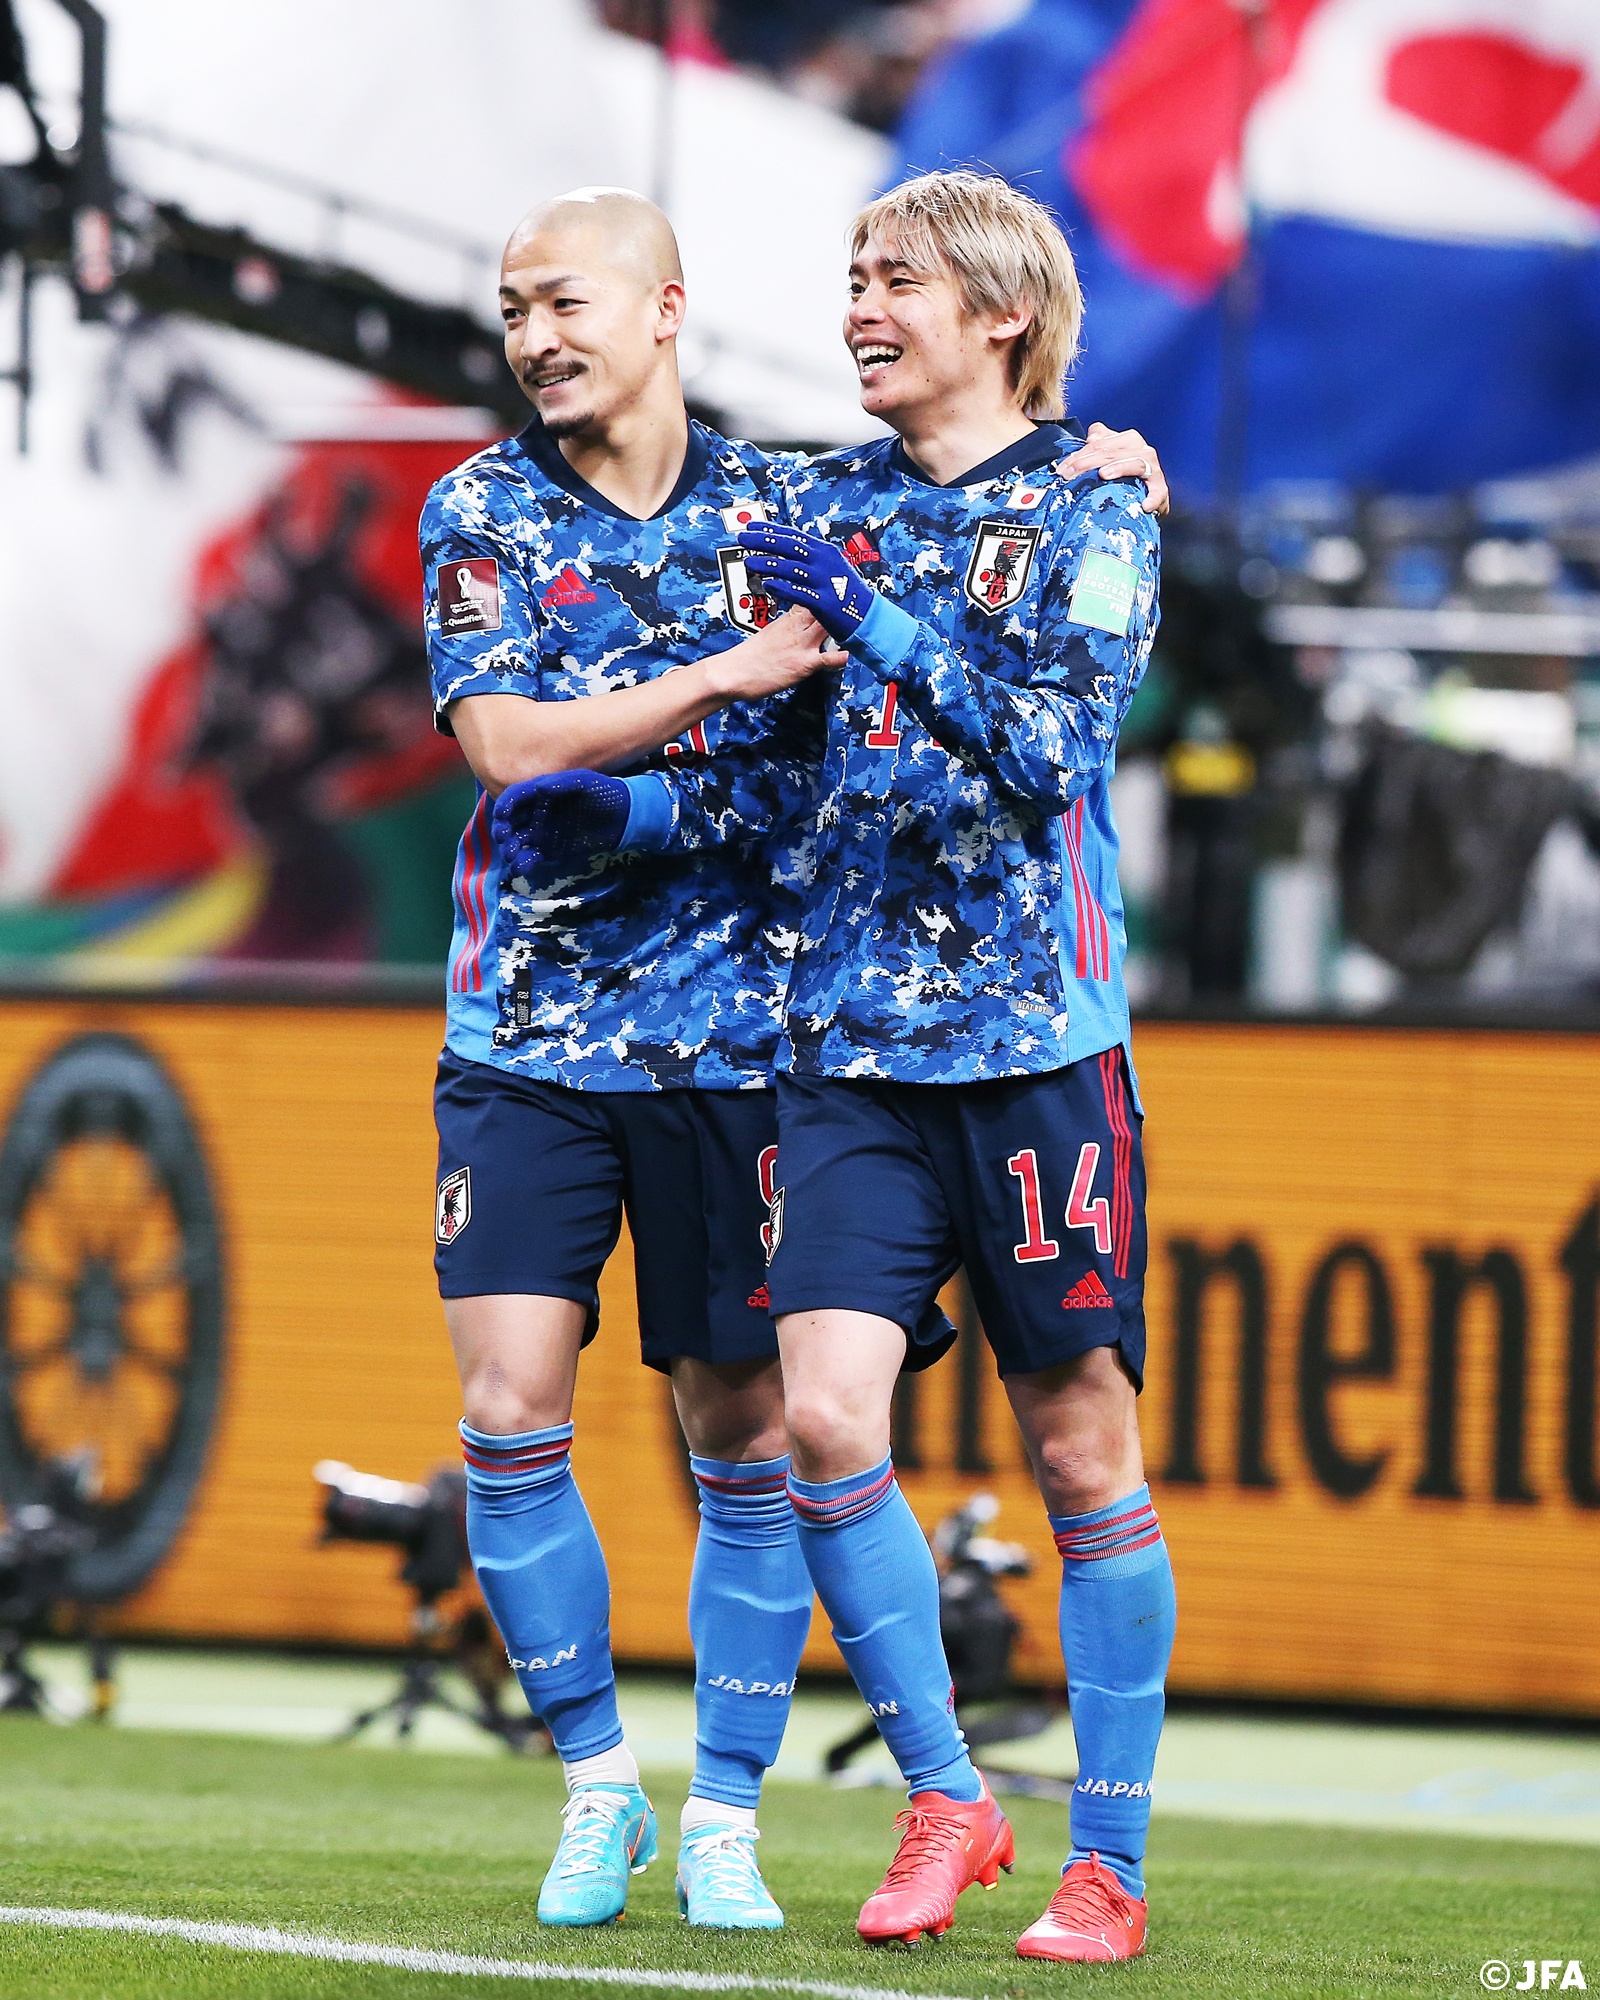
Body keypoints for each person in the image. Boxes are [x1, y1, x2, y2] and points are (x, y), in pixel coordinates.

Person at [423, 182, 1170, 1936]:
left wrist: (897, 615)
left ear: (1000, 312)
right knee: (822, 1420)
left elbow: (1057, 754)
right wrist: (628, 810)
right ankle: (944, 1797)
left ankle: (1109, 1861)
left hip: (1032, 1047)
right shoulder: (813, 505)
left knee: (1076, 1447)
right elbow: (765, 756)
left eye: (894, 280)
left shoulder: (1093, 505)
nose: (858, 308)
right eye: (851, 279)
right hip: (834, 1054)